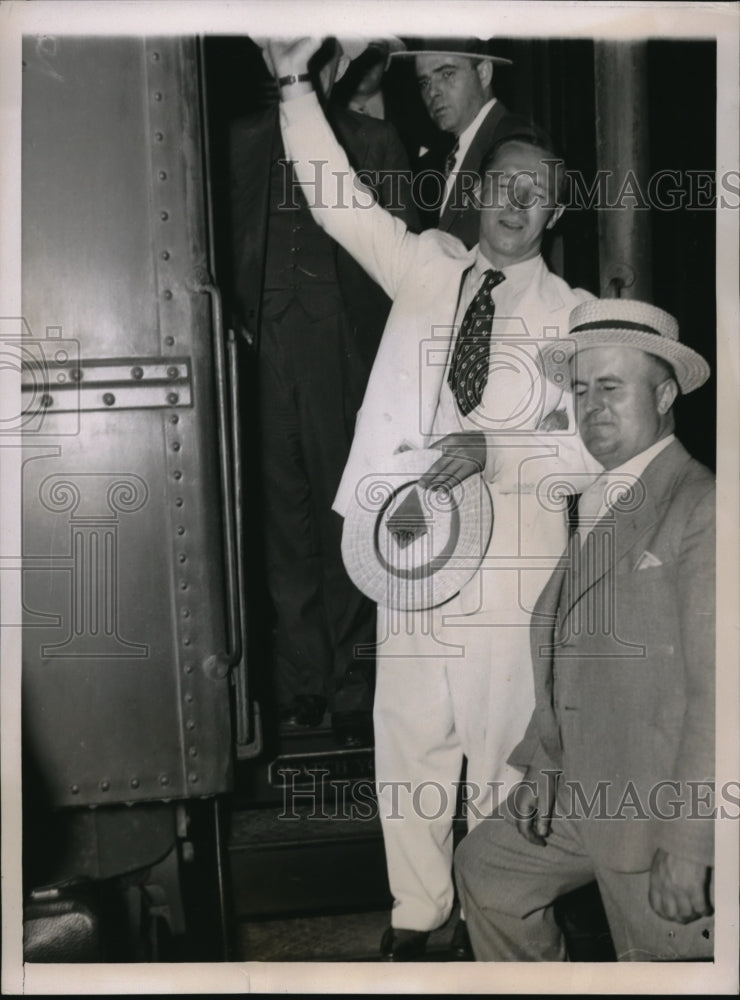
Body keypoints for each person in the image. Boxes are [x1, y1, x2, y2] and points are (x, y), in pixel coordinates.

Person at [268, 37, 602, 960]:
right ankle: (420, 919)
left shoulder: (574, 321)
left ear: (556, 211)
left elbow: (591, 453)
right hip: (411, 556)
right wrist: (295, 86)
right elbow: (335, 198)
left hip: (511, 580)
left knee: (500, 764)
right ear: (482, 191)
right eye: (505, 185)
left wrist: (498, 450)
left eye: (537, 192)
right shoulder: (426, 267)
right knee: (409, 746)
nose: (517, 203)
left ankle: (497, 926)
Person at [454, 297, 715, 961]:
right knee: (488, 870)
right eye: (578, 389)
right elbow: (572, 653)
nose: (589, 405)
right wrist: (546, 759)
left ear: (662, 394)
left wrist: (690, 844)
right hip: (583, 786)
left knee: (659, 966)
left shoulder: (703, 504)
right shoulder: (603, 498)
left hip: (657, 808)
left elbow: (725, 696)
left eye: (610, 387)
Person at [229, 38, 418, 746]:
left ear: (336, 65)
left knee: (347, 515)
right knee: (282, 521)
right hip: (265, 350)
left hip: (343, 349)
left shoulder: (376, 140)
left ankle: (350, 682)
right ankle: (302, 682)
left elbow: (405, 255)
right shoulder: (241, 141)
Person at [394, 37, 524, 245]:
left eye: (447, 74)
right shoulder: (448, 152)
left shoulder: (515, 143)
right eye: (424, 82)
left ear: (483, 74)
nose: (433, 92)